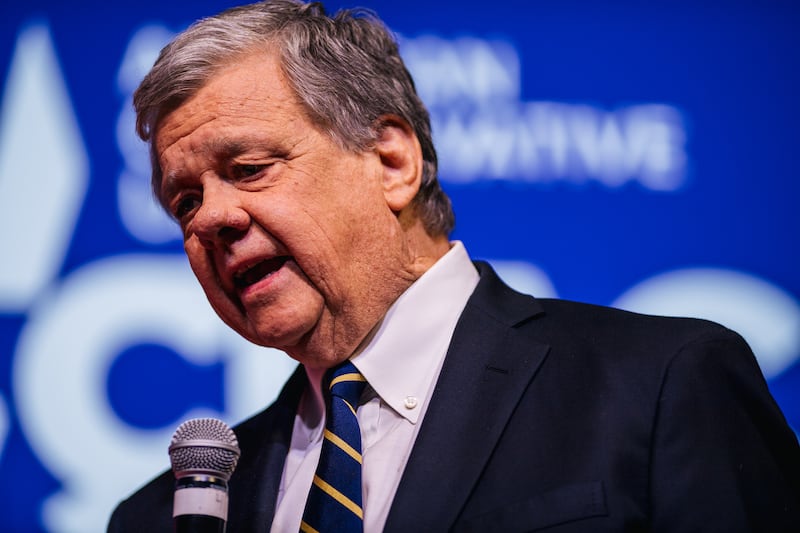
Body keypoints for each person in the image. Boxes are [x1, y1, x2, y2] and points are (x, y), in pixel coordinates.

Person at [107, 1, 800, 531]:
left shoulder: (660, 386)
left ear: (391, 162)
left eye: (249, 168)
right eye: (185, 200)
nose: (209, 219)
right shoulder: (160, 515)